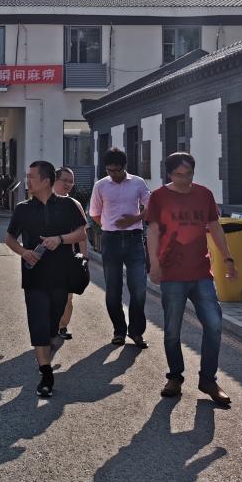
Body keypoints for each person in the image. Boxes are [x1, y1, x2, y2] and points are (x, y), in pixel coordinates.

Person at [146, 152, 237, 405]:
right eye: (179, 175)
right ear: (169, 174)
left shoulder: (204, 194)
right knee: (172, 330)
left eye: (188, 174)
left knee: (214, 325)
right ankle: (175, 377)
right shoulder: (159, 197)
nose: (184, 180)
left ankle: (208, 379)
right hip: (172, 274)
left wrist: (228, 258)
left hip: (201, 273)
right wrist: (154, 264)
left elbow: (215, 227)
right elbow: (153, 231)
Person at [4, 161, 87, 397]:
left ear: (46, 181)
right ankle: (46, 374)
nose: (27, 181)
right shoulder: (22, 209)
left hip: (61, 274)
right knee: (38, 323)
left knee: (52, 324)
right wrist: (23, 252)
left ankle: (48, 346)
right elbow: (9, 238)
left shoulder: (68, 205)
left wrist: (60, 239)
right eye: (27, 176)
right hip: (34, 275)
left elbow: (82, 233)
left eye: (32, 177)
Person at [89, 147, 151, 348]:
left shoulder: (138, 183)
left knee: (139, 289)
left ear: (124, 166)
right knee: (113, 290)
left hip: (134, 239)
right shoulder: (101, 185)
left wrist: (134, 219)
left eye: (116, 170)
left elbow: (151, 206)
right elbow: (94, 213)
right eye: (109, 170)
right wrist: (109, 225)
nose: (113, 174)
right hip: (111, 240)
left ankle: (136, 332)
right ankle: (119, 331)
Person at [54, 166, 89, 341]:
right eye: (64, 180)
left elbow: (82, 234)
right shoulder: (42, 202)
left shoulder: (75, 205)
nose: (68, 184)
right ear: (54, 180)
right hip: (45, 258)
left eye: (71, 181)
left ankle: (62, 326)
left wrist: (84, 258)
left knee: (67, 297)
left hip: (68, 257)